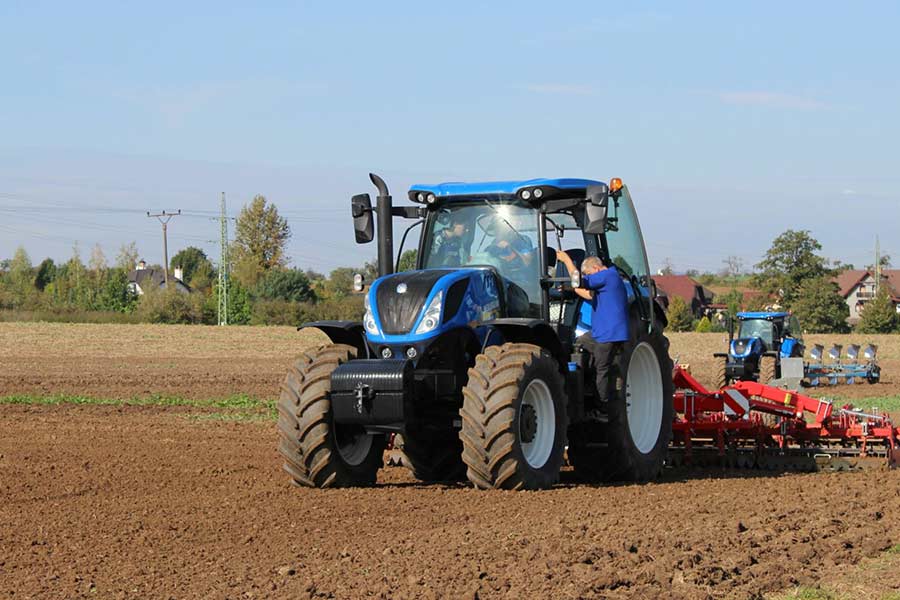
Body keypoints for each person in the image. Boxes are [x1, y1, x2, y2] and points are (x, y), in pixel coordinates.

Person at [556, 251, 630, 407]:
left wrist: (566, 260)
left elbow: (579, 281)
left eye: (588, 274)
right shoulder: (608, 281)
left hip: (607, 334)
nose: (588, 277)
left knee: (601, 369)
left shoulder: (607, 275)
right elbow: (588, 294)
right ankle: (581, 382)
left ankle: (602, 407)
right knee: (579, 344)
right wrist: (568, 289)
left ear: (596, 269)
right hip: (601, 332)